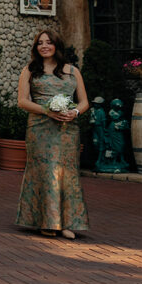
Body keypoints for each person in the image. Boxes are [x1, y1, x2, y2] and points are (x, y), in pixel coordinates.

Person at [15, 30, 89, 239]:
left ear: (57, 45)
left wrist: (74, 112)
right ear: (36, 47)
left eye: (49, 42)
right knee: (46, 172)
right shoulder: (30, 70)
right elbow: (22, 101)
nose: (44, 46)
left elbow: (84, 101)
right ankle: (47, 221)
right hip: (40, 128)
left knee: (67, 173)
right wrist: (47, 111)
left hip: (68, 129)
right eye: (40, 43)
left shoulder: (72, 71)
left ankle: (66, 223)